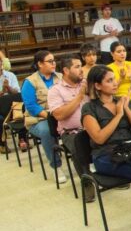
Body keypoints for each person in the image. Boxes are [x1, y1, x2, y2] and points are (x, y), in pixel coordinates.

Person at [81, 65, 131, 227]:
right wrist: (118, 115)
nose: (115, 83)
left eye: (114, 79)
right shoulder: (89, 108)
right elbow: (99, 138)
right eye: (109, 81)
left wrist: (127, 109)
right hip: (106, 156)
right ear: (97, 86)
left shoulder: (124, 101)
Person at [47, 56, 95, 200]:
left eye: (81, 66)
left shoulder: (87, 84)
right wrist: (80, 96)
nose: (81, 70)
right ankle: (87, 182)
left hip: (92, 127)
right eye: (77, 66)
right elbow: (59, 115)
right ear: (66, 71)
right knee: (78, 144)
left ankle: (111, 172)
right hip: (71, 132)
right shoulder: (55, 90)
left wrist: (91, 92)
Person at [22, 51, 67, 181]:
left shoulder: (60, 76)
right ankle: (56, 166)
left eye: (54, 60)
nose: (54, 63)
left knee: (81, 123)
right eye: (50, 61)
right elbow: (31, 105)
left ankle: (86, 161)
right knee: (47, 131)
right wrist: (52, 116)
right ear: (40, 64)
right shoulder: (30, 81)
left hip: (61, 114)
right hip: (38, 119)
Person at [0, 55, 20, 154]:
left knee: (21, 110)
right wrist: (2, 91)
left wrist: (8, 88)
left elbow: (17, 92)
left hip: (12, 105)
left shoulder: (10, 75)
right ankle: (2, 144)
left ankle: (22, 139)